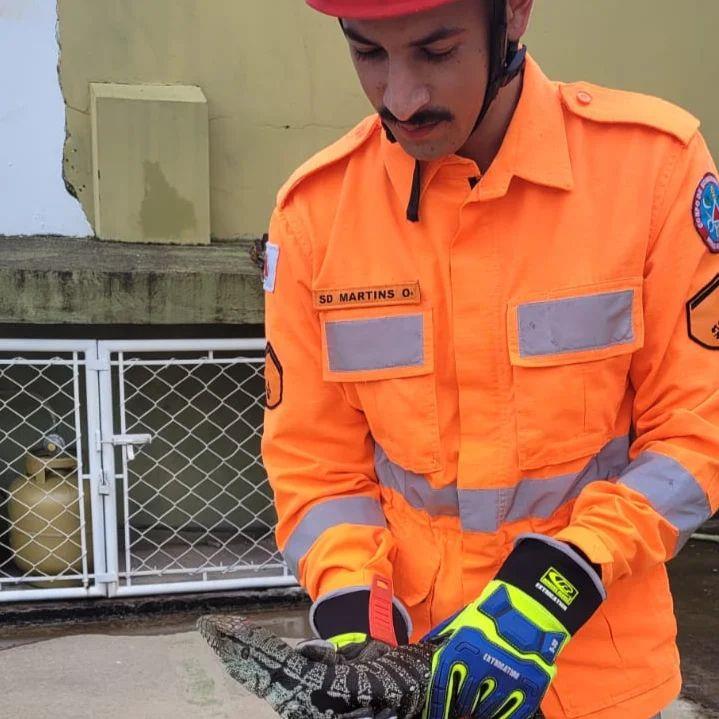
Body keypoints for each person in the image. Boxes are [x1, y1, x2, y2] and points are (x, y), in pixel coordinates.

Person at [261, 1, 719, 717]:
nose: (400, 98)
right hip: (409, 674)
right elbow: (314, 463)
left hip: (600, 673)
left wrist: (557, 582)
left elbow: (698, 431)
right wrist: (355, 614)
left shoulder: (651, 170)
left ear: (511, 14)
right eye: (366, 54)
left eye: (435, 51)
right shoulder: (315, 214)